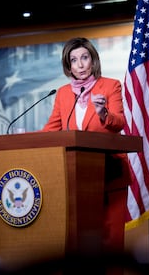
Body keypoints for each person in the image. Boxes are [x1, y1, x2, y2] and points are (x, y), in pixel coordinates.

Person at [41, 37, 130, 256]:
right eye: (73, 60)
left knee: (111, 242)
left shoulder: (110, 85)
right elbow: (51, 129)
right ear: (68, 65)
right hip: (77, 179)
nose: (80, 65)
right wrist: (22, 142)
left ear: (93, 60)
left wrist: (103, 113)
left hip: (110, 172)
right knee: (83, 242)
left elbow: (120, 122)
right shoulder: (62, 93)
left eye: (84, 58)